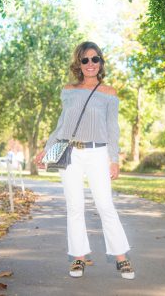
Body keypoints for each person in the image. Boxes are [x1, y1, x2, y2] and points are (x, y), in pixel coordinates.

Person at [40, 41, 135, 279]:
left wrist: (114, 159)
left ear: (101, 63)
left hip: (98, 154)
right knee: (74, 207)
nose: (90, 64)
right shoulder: (68, 90)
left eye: (95, 59)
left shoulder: (109, 93)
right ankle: (78, 258)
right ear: (78, 64)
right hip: (71, 153)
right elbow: (62, 126)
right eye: (85, 60)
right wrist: (47, 151)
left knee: (105, 205)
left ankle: (121, 257)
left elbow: (113, 130)